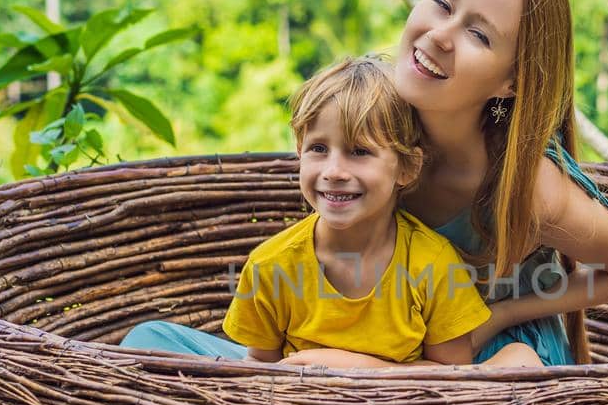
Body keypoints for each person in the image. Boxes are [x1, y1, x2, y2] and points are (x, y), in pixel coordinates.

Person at [294, 0, 608, 369]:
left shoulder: (526, 186)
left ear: (510, 82)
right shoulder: (373, 127)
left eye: (479, 35)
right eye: (442, 5)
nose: (440, 35)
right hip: (397, 338)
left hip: (495, 365)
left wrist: (501, 315)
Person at [120, 57, 532, 368]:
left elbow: (453, 379)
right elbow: (258, 380)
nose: (334, 172)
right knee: (147, 337)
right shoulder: (271, 265)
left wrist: (346, 367)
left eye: (359, 152)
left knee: (520, 360)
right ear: (300, 153)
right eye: (319, 149)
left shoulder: (433, 262)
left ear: (406, 167)